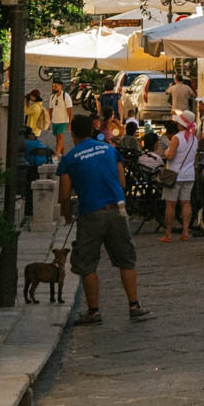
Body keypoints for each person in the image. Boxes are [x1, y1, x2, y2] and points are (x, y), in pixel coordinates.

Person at [57, 112, 151, 326]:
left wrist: (67, 215)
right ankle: (134, 305)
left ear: (73, 133)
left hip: (91, 212)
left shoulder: (70, 159)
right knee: (126, 259)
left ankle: (94, 311)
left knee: (87, 264)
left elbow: (64, 195)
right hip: (117, 210)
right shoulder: (110, 150)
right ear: (92, 130)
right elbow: (122, 182)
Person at [159, 115, 198, 242]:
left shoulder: (177, 138)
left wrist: (166, 152)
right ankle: (185, 232)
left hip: (175, 174)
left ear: (180, 124)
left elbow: (170, 157)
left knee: (171, 204)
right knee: (186, 203)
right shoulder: (194, 138)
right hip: (189, 174)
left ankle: (168, 234)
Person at [48, 81, 73, 159]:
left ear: (60, 86)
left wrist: (70, 123)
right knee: (59, 139)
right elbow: (50, 110)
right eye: (53, 86)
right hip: (55, 121)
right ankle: (64, 156)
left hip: (63, 121)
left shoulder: (66, 96)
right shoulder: (52, 97)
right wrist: (48, 122)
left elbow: (70, 112)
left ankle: (56, 156)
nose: (54, 88)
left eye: (56, 86)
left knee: (60, 137)